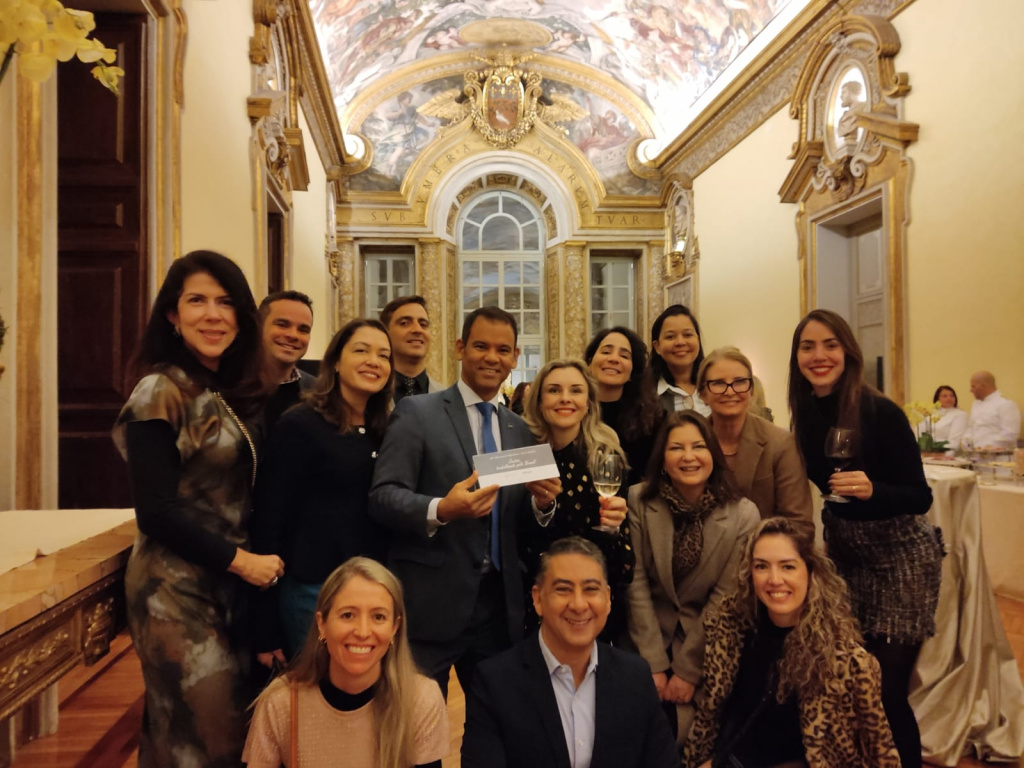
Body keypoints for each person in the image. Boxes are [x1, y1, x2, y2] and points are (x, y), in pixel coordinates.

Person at [112, 250, 284, 767]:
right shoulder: (158, 390)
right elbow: (156, 511)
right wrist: (244, 563)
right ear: (173, 314)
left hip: (229, 586)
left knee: (189, 731)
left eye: (225, 302)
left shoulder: (227, 390)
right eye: (197, 301)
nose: (213, 315)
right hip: (174, 589)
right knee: (208, 737)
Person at [369, 306, 561, 697]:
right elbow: (383, 497)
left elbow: (516, 521)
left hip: (498, 609)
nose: (492, 357)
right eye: (481, 346)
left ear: (515, 358)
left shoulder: (518, 429)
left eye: (503, 350)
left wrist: (542, 505)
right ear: (460, 348)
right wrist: (442, 509)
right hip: (430, 605)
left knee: (496, 726)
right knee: (417, 725)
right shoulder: (417, 413)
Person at [788, 308, 943, 768]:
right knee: (850, 680)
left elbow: (920, 496)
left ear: (848, 352)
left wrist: (874, 490)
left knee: (886, 689)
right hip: (846, 559)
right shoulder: (805, 413)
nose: (819, 356)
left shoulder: (879, 411)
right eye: (808, 347)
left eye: (830, 345)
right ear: (797, 356)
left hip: (901, 560)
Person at [684, 517, 901, 768]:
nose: (774, 579)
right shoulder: (731, 631)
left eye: (787, 567)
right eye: (762, 566)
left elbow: (880, 750)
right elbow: (720, 719)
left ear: (810, 572)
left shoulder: (847, 662)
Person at [461, 537, 678, 768]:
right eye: (563, 590)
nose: (578, 605)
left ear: (607, 598)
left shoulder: (635, 677)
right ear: (537, 599)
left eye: (590, 589)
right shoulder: (495, 683)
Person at [251, 319, 395, 663]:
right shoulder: (300, 425)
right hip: (312, 592)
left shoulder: (388, 430)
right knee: (314, 690)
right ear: (336, 362)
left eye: (384, 355)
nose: (374, 361)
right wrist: (263, 624)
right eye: (361, 350)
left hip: (372, 591)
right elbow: (268, 520)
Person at [627, 410, 759, 744]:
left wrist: (687, 671)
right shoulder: (638, 500)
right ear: (662, 459)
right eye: (676, 448)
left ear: (713, 454)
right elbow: (636, 583)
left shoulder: (743, 515)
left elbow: (724, 599)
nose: (688, 457)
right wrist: (652, 663)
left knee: (688, 737)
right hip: (643, 641)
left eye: (698, 447)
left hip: (707, 647)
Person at [243, 557, 449, 768]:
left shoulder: (420, 700)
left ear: (394, 628)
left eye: (378, 617)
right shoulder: (280, 703)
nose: (362, 632)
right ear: (322, 624)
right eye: (348, 615)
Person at [520, 359, 635, 642]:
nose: (565, 398)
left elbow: (624, 560)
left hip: (591, 602)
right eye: (554, 390)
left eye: (575, 390)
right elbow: (514, 538)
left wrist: (614, 527)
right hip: (533, 599)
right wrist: (540, 507)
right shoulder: (523, 455)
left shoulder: (605, 457)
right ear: (539, 401)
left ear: (589, 403)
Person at [697, 346, 813, 525]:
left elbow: (798, 523)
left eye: (739, 382)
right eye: (718, 383)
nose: (730, 391)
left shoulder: (781, 444)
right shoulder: (690, 441)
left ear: (751, 390)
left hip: (764, 541)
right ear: (702, 394)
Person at [584, 326, 663, 486]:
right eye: (606, 352)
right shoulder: (573, 411)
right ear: (590, 363)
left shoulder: (651, 420)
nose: (614, 359)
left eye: (624, 356)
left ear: (633, 371)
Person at [259, 291, 315, 430]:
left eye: (303, 329)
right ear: (258, 326)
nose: (293, 335)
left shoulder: (319, 394)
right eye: (282, 325)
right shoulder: (228, 387)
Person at [644, 304, 711, 417]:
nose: (680, 342)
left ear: (698, 340)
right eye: (670, 337)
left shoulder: (715, 386)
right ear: (657, 346)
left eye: (687, 335)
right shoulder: (646, 394)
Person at [380, 295, 443, 404]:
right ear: (385, 333)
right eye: (404, 323)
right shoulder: (368, 395)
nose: (417, 330)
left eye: (423, 324)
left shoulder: (450, 399)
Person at [963, 371, 1021, 452]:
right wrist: (967, 442)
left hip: (998, 456)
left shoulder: (1006, 404)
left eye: (973, 386)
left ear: (983, 386)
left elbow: (1010, 434)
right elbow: (970, 428)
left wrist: (987, 447)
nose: (971, 390)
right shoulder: (976, 404)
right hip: (975, 454)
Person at [932, 384, 968, 451]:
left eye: (952, 396)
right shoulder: (929, 414)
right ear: (937, 399)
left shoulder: (960, 414)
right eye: (944, 396)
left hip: (947, 452)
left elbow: (954, 440)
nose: (949, 398)